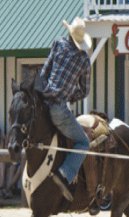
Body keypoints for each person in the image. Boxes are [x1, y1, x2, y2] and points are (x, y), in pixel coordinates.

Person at [39, 17, 92, 201]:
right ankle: (63, 175)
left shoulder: (58, 43)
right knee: (83, 142)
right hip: (59, 109)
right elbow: (85, 91)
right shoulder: (84, 60)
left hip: (43, 102)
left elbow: (44, 72)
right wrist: (68, 96)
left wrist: (44, 94)